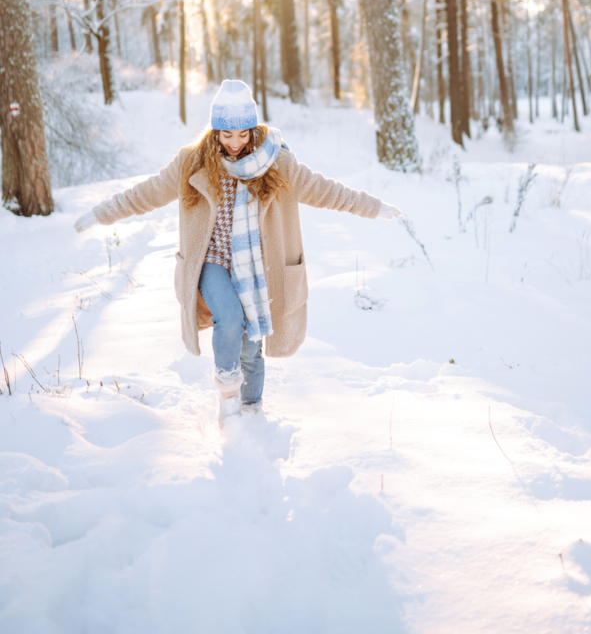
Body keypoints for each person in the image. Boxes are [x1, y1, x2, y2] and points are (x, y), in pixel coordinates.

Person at [74, 80, 401, 428]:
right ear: (214, 131)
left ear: (253, 129)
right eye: (226, 135)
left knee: (250, 343)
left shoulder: (277, 163)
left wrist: (372, 207)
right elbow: (147, 192)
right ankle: (228, 401)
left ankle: (252, 412)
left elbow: (325, 190)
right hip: (212, 262)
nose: (234, 144)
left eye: (242, 134)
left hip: (255, 267)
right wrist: (101, 213)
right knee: (229, 318)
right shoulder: (191, 163)